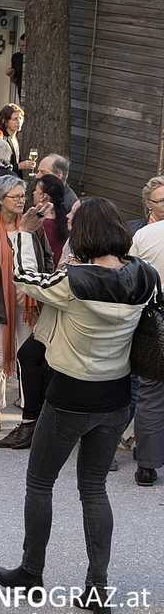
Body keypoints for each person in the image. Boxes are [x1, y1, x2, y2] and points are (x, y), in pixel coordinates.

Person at [0, 199, 155, 614]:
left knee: (40, 483)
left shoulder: (74, 279)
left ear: (82, 235)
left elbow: (25, 280)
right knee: (94, 489)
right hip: (116, 395)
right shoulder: (145, 276)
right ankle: (97, 587)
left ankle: (31, 573)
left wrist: (25, 234)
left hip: (70, 394)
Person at [0, 175, 54, 435]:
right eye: (15, 196)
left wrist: (38, 292)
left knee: (27, 358)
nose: (21, 200)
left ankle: (29, 411)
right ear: (0, 200)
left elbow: (48, 261)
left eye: (22, 195)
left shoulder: (34, 228)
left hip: (29, 305)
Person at [129, 183, 164, 487]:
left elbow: (130, 279)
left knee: (150, 393)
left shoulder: (144, 236)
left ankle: (147, 465)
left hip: (154, 319)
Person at [0, 104, 34, 175]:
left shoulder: (15, 137)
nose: (19, 122)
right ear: (5, 121)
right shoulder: (2, 139)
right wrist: (19, 166)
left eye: (20, 118)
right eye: (15, 119)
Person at [33, 174, 69, 259]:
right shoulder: (63, 217)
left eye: (36, 191)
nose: (33, 193)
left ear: (44, 196)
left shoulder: (42, 223)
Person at [6, 32, 26, 100]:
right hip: (21, 89)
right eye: (19, 45)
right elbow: (14, 79)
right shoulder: (16, 57)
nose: (20, 48)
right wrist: (11, 73)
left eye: (23, 46)